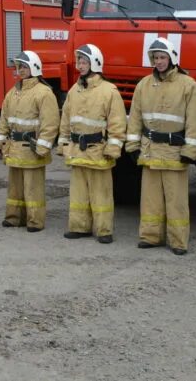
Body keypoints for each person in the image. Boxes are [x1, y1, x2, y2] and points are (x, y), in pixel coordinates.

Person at [126, 38, 196, 255]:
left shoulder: (188, 85)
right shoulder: (144, 84)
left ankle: (178, 241)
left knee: (176, 201)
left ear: (172, 58)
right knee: (150, 200)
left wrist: (190, 151)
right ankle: (150, 236)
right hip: (150, 150)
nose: (159, 61)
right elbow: (135, 118)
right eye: (155, 58)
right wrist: (132, 146)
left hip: (174, 152)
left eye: (162, 57)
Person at [58, 44, 126, 243]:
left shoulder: (109, 91)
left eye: (84, 61)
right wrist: (63, 145)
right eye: (79, 61)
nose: (80, 65)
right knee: (79, 194)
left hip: (99, 152)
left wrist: (113, 148)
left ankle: (104, 230)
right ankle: (79, 227)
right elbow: (66, 119)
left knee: (101, 194)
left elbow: (117, 122)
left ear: (95, 63)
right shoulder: (74, 90)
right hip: (78, 151)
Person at [0, 51, 59, 232]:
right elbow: (4, 120)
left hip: (32, 149)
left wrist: (43, 146)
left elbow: (50, 123)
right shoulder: (12, 93)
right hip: (15, 148)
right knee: (15, 188)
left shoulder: (44, 93)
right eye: (19, 66)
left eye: (24, 66)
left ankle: (34, 221)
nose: (20, 70)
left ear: (34, 68)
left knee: (33, 188)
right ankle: (14, 218)